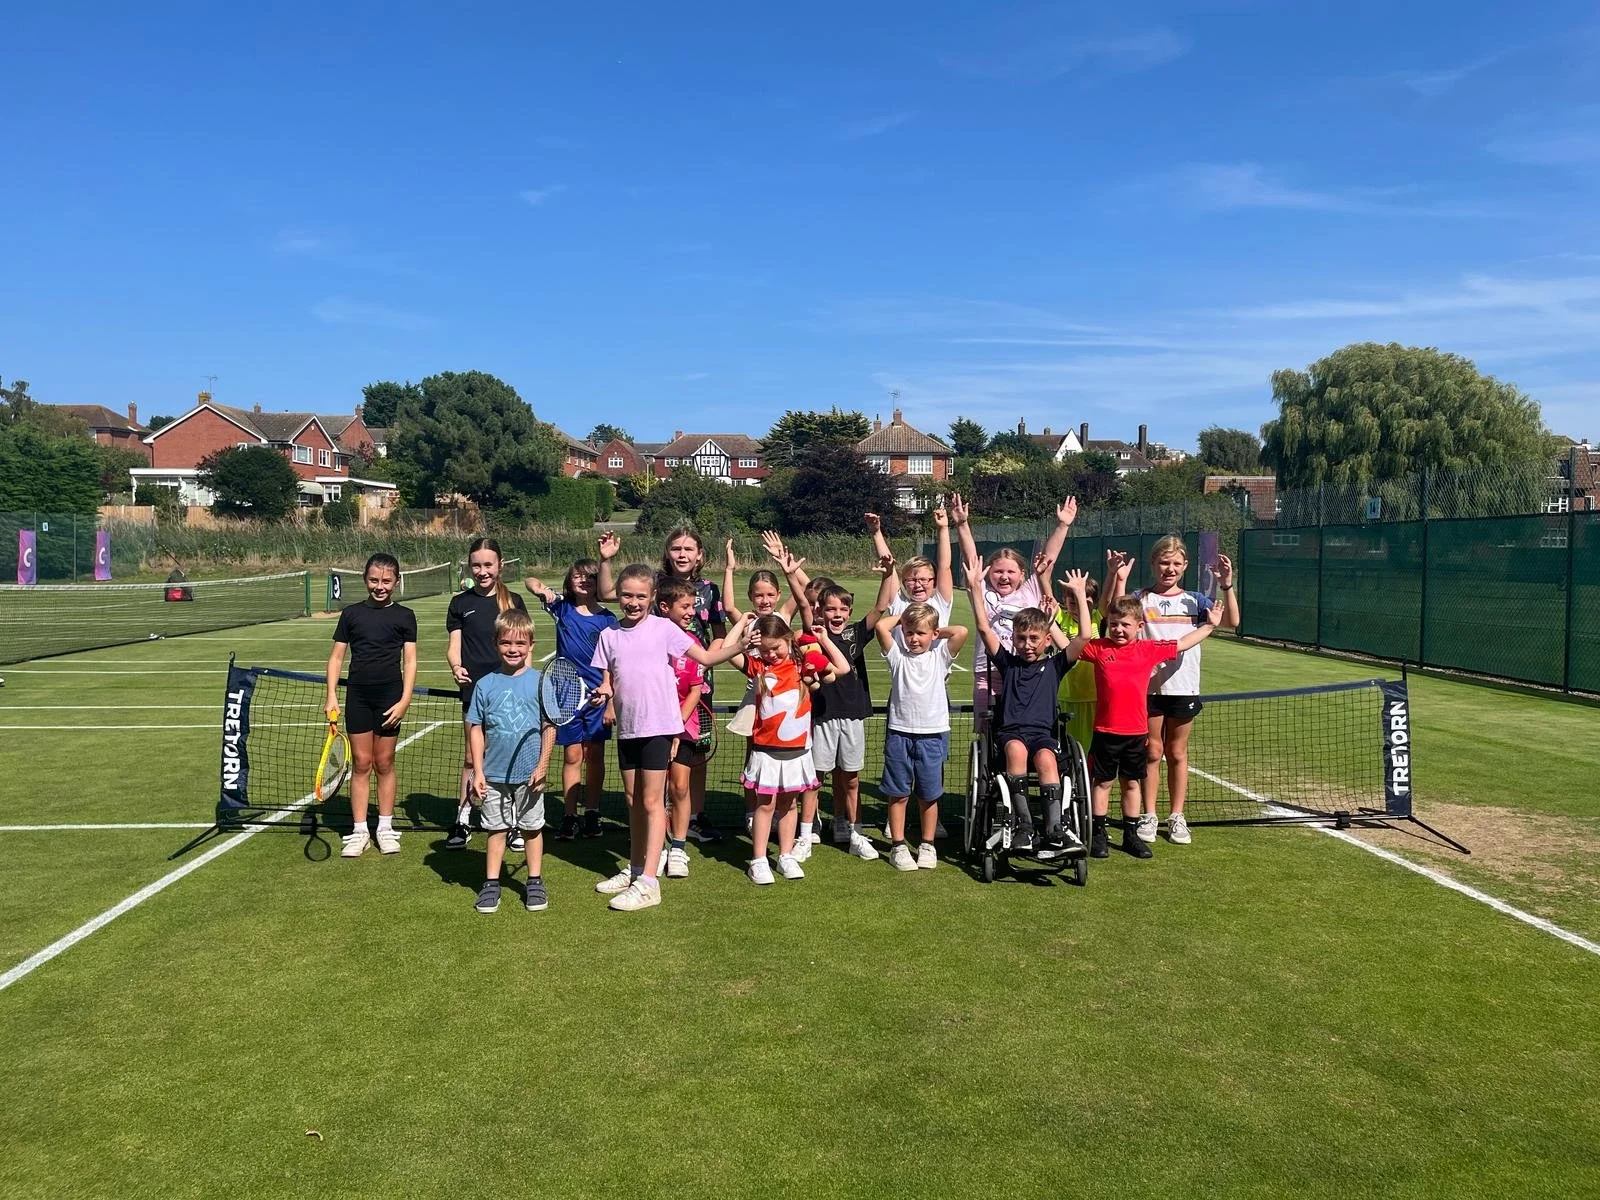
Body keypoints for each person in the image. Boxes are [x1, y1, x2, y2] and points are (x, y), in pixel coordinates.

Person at [587, 563, 750, 912]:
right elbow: (608, 679)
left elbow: (706, 657)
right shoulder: (609, 636)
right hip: (627, 730)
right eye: (627, 595)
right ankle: (634, 871)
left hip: (658, 728)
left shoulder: (664, 630)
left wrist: (740, 644)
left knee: (651, 803)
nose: (632, 602)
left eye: (640, 596)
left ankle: (649, 882)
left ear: (652, 598)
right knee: (634, 802)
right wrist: (604, 690)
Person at [597, 527, 729, 844]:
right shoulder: (651, 584)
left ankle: (694, 817)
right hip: (657, 685)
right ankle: (661, 821)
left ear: (699, 554)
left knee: (693, 755)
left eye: (688, 548)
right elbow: (605, 593)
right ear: (667, 552)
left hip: (697, 682)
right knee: (659, 756)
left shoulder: (709, 590)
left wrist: (706, 660)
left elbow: (719, 631)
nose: (682, 554)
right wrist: (606, 561)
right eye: (676, 548)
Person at [1110, 537, 1240, 847]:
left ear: (1185, 567)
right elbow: (1114, 613)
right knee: (1152, 751)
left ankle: (1177, 816)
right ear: (1153, 564)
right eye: (1163, 563)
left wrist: (1227, 586)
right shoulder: (1140, 598)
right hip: (1148, 689)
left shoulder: (1196, 600)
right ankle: (1149, 814)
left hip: (1185, 688)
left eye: (1176, 564)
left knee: (1177, 752)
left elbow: (1233, 622)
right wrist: (1119, 579)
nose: (1169, 569)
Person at [1077, 595, 1221, 859]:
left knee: (1131, 784)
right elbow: (1070, 644)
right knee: (1103, 783)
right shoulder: (1098, 648)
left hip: (1136, 734)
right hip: (1105, 733)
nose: (1118, 629)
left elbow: (1181, 644)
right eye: (1114, 624)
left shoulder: (1148, 649)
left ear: (1139, 626)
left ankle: (1131, 836)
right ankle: (1098, 835)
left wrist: (1209, 627)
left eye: (1125, 625)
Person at [967, 563, 1094, 855]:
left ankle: (1054, 829)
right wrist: (975, 588)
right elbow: (984, 627)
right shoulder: (1007, 664)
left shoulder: (1055, 665)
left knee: (1048, 760)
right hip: (1011, 732)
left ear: (1047, 640)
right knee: (1015, 751)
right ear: (1013, 639)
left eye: (1034, 639)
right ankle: (1023, 825)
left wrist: (1078, 594)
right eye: (1021, 638)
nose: (1027, 644)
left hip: (1042, 734)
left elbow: (1084, 637)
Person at [732, 614, 851, 884]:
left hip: (798, 751)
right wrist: (742, 630)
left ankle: (785, 855)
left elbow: (842, 668)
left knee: (788, 805)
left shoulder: (803, 667)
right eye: (765, 649)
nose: (771, 654)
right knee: (766, 805)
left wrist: (823, 640)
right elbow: (726, 652)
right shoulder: (758, 667)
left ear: (788, 640)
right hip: (766, 751)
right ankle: (759, 860)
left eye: (777, 648)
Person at [951, 492, 1075, 730]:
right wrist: (963, 524)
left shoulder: (1031, 591)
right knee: (987, 733)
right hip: (988, 672)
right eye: (998, 572)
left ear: (1022, 574)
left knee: (1026, 727)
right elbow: (970, 559)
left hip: (1027, 672)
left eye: (1011, 572)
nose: (1004, 577)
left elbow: (1047, 563)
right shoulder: (982, 592)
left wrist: (1062, 525)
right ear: (989, 573)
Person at [324, 553, 417, 858]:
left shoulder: (405, 616)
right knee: (362, 764)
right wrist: (332, 696)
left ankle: (386, 828)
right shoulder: (351, 615)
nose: (380, 586)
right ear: (365, 580)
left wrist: (404, 701)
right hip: (358, 698)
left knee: (385, 762)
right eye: (374, 580)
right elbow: (337, 657)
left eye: (386, 581)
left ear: (396, 582)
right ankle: (360, 830)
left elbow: (410, 661)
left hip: (390, 698)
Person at [466, 608, 556, 914]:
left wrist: (542, 765)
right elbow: (476, 728)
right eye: (506, 643)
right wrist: (477, 772)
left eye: (520, 644)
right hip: (493, 774)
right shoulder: (485, 684)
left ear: (531, 645)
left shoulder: (540, 682)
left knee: (532, 828)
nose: (513, 649)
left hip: (530, 774)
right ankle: (491, 883)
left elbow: (549, 727)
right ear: (496, 644)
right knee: (496, 829)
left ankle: (534, 880)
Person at [525, 556, 619, 841]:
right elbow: (531, 581)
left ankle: (592, 812)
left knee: (595, 756)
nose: (583, 580)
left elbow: (614, 664)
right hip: (565, 695)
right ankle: (570, 816)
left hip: (597, 697)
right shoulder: (562, 608)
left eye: (590, 577)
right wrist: (543, 590)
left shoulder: (608, 619)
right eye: (577, 575)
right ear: (570, 580)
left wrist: (610, 699)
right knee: (572, 755)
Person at [445, 538, 527, 852]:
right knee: (471, 757)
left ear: (500, 566)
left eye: (488, 565)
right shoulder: (460, 603)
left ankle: (513, 823)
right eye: (477, 565)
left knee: (509, 756)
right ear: (470, 566)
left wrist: (525, 684)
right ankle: (463, 819)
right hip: (474, 692)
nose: (482, 571)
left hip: (509, 692)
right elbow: (454, 646)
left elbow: (523, 647)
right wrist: (455, 667)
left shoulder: (513, 601)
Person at [873, 603, 969, 871]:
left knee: (929, 795)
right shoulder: (896, 657)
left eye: (921, 633)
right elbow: (882, 626)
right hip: (899, 734)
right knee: (898, 793)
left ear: (933, 634)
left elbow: (960, 632)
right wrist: (904, 618)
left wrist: (936, 630)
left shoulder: (940, 657)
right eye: (909, 632)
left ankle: (927, 845)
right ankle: (898, 846)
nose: (914, 638)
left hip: (933, 735)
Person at [814, 566, 896, 861]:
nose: (836, 614)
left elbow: (881, 606)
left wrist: (888, 574)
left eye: (842, 609)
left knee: (851, 778)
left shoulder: (856, 634)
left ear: (849, 611)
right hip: (821, 715)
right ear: (820, 611)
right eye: (830, 609)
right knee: (816, 777)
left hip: (852, 715)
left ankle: (855, 830)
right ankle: (808, 828)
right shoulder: (814, 635)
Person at [658, 577, 710, 880]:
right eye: (685, 606)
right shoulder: (650, 637)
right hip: (651, 726)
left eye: (693, 606)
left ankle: (678, 847)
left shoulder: (692, 644)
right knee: (652, 791)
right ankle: (656, 845)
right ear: (665, 607)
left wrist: (676, 728)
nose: (691, 612)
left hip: (683, 726)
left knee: (679, 786)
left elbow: (695, 690)